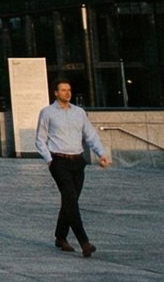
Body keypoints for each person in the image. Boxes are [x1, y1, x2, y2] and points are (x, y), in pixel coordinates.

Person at [34, 79, 110, 257]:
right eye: (63, 90)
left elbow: (90, 135)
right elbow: (40, 139)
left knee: (70, 201)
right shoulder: (47, 113)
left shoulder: (79, 112)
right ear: (55, 93)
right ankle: (84, 242)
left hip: (77, 161)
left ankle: (60, 237)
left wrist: (101, 153)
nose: (67, 93)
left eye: (69, 89)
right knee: (70, 199)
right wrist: (48, 159)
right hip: (59, 161)